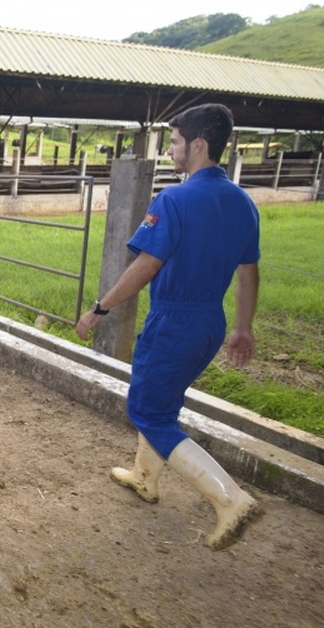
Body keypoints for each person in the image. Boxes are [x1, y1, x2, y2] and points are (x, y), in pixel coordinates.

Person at [75, 103, 261, 551]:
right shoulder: (243, 202)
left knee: (147, 410)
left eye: (175, 141)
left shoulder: (174, 199)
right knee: (164, 402)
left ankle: (230, 499)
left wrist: (100, 308)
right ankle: (144, 477)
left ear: (198, 144)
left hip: (174, 319)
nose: (172, 149)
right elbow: (249, 273)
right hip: (210, 322)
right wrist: (243, 328)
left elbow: (147, 264)